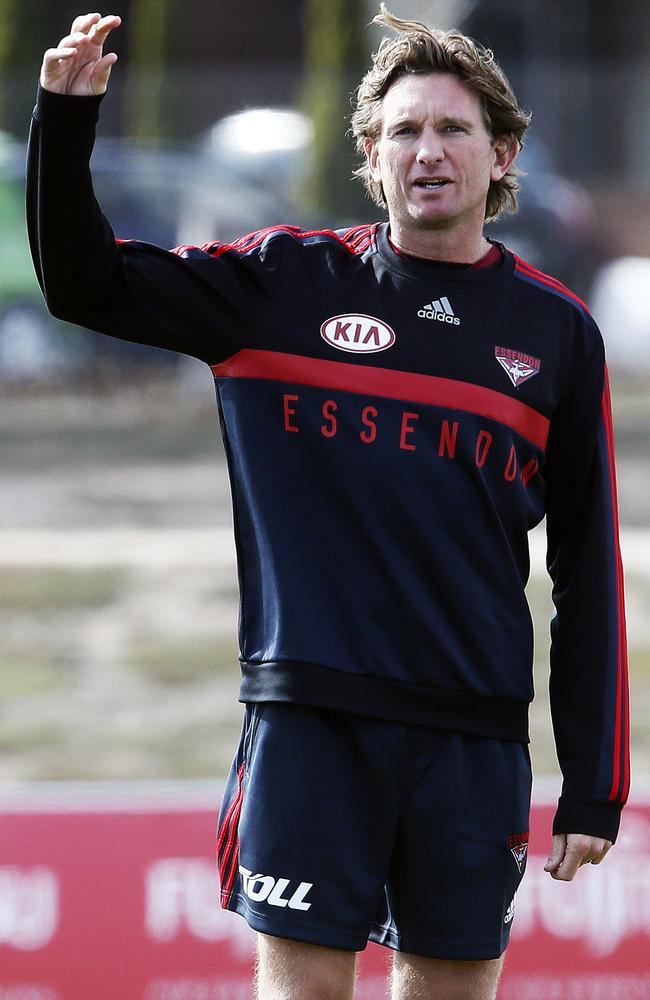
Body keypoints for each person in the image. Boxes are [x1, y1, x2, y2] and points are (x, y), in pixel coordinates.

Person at [28, 7, 629, 999]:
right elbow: (81, 283)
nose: (424, 150)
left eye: (449, 129)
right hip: (310, 721)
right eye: (401, 131)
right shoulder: (279, 285)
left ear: (500, 152)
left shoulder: (555, 335)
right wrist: (64, 117)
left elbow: (588, 572)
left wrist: (594, 784)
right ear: (369, 154)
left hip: (471, 737)